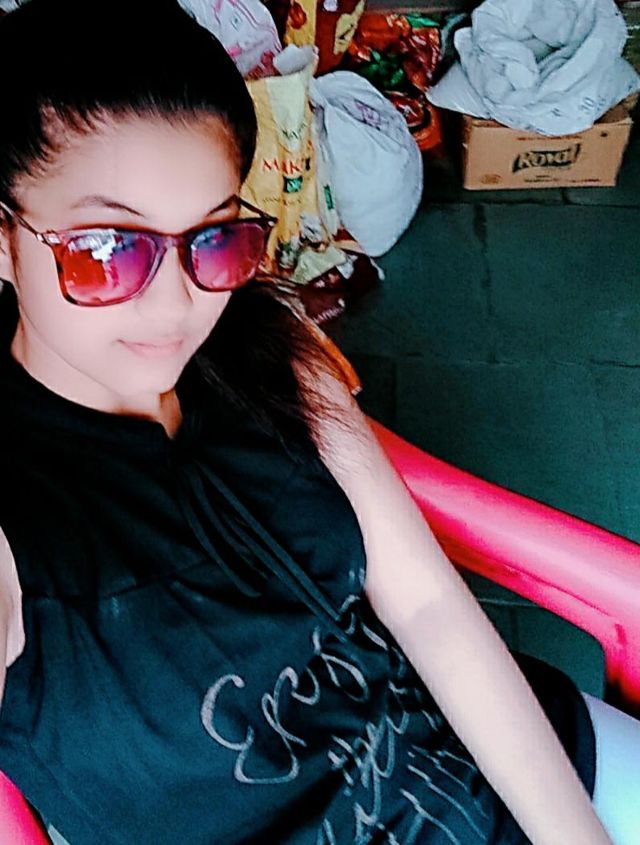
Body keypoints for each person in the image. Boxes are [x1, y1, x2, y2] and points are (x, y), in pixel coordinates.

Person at [0, 1, 638, 843]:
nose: (177, 303)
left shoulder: (265, 346)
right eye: (108, 249)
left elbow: (427, 607)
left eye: (213, 239)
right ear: (3, 240)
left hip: (506, 757)